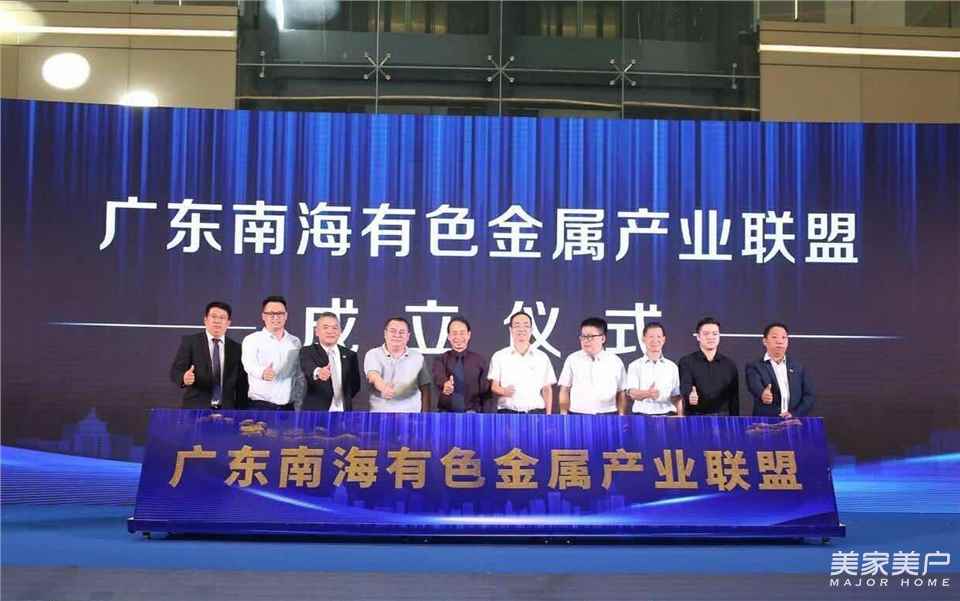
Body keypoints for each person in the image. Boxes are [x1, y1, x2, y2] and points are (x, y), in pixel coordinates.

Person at [169, 301, 248, 409]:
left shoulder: (237, 348)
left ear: (228, 323)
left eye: (222, 318)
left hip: (227, 409)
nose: (217, 321)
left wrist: (240, 411)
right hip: (196, 408)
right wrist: (184, 378)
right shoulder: (191, 342)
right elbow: (176, 371)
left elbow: (242, 383)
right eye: (213, 316)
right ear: (205, 320)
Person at [488, 311, 557, 414]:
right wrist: (504, 391)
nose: (521, 329)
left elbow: (547, 388)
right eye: (517, 325)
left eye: (526, 326)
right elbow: (494, 386)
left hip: (536, 413)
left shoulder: (542, 357)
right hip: (508, 412)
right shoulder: (499, 356)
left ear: (531, 330)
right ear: (511, 330)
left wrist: (548, 415)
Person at [241, 295, 302, 411]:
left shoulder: (295, 341)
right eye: (271, 314)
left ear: (286, 316)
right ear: (263, 316)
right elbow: (248, 364)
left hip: (288, 407)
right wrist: (263, 372)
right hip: (261, 405)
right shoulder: (252, 339)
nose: (276, 317)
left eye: (280, 313)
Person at [745, 322, 816, 418]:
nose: (780, 341)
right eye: (774, 337)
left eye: (783, 337)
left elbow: (809, 396)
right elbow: (754, 385)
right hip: (766, 422)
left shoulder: (797, 367)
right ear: (765, 341)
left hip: (793, 421)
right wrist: (762, 393)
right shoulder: (755, 366)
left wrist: (794, 414)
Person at [558, 317, 626, 415]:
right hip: (578, 414)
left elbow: (621, 392)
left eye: (590, 337)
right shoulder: (572, 359)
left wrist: (621, 415)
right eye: (583, 337)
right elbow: (564, 389)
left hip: (608, 414)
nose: (586, 341)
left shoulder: (615, 361)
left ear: (603, 338)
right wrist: (563, 414)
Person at [364, 316, 432, 412]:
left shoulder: (417, 357)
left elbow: (425, 388)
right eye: (393, 331)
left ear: (408, 336)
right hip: (380, 415)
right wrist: (383, 387)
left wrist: (424, 416)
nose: (397, 335)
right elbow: (373, 375)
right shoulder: (373, 354)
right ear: (385, 334)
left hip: (411, 416)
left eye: (402, 332)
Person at [298, 312, 360, 412]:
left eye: (335, 328)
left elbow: (355, 385)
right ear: (316, 331)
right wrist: (318, 372)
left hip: (343, 411)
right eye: (325, 327)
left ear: (340, 332)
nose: (330, 331)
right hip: (316, 412)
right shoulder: (308, 351)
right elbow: (308, 367)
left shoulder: (350, 355)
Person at [677, 317, 739, 416]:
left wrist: (735, 420)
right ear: (698, 337)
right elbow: (685, 386)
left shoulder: (729, 364)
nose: (711, 337)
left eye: (715, 334)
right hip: (695, 417)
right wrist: (689, 395)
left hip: (722, 418)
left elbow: (734, 398)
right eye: (706, 334)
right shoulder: (686, 362)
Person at [431, 316, 492, 413]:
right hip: (446, 414)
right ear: (449, 336)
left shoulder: (479, 360)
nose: (458, 337)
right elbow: (439, 377)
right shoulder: (440, 360)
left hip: (472, 415)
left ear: (469, 335)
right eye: (454, 333)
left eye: (462, 333)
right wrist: (446, 385)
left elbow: (485, 392)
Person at [625, 322, 682, 416]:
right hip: (642, 416)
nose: (655, 340)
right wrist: (648, 393)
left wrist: (680, 416)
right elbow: (632, 393)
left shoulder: (672, 367)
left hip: (668, 415)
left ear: (664, 339)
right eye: (651, 336)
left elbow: (676, 397)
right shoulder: (634, 366)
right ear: (643, 339)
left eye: (659, 336)